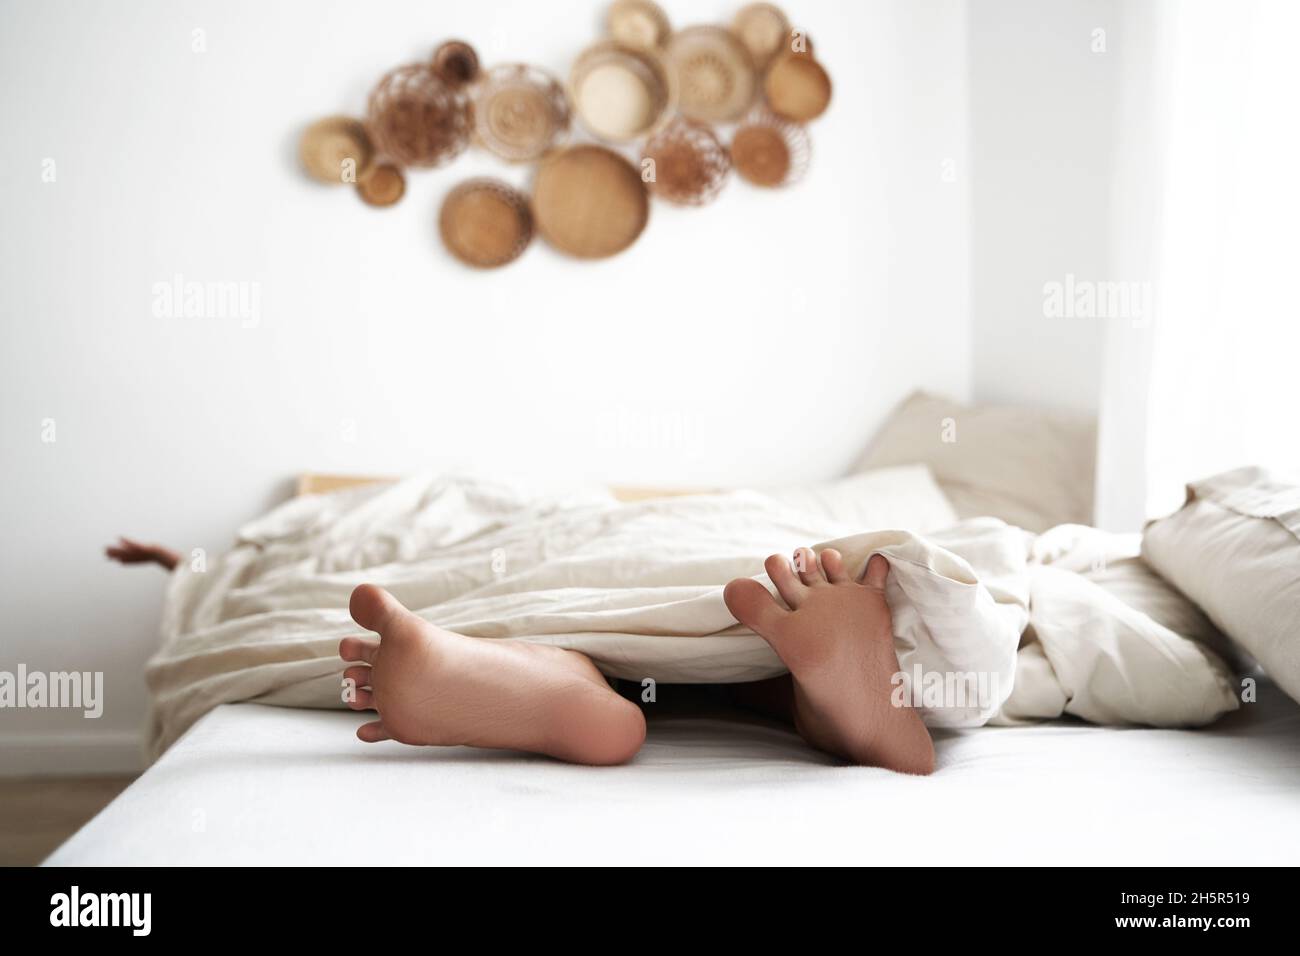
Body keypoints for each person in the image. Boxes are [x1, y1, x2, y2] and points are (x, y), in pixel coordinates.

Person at [109, 539, 935, 774]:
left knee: (590, 635)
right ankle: (827, 703)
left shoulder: (421, 520)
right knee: (740, 668)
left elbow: (268, 570)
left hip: (610, 650)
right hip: (759, 656)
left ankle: (548, 677)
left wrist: (185, 564)